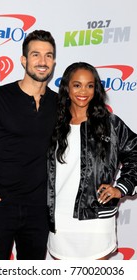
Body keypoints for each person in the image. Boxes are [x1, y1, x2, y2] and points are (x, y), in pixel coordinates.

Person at [0, 30, 57, 260]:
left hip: (39, 209)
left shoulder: (59, 103)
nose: (42, 61)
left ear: (54, 62)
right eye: (36, 55)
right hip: (0, 204)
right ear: (24, 60)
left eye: (48, 55)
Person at [47, 62, 137, 260]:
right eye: (77, 85)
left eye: (90, 85)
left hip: (96, 220)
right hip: (60, 221)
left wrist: (121, 188)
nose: (83, 91)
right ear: (66, 87)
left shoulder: (110, 124)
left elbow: (135, 154)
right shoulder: (52, 124)